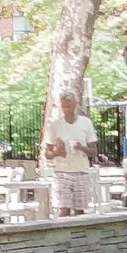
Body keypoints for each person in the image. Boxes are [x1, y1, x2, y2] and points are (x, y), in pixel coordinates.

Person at [39, 89, 95, 217]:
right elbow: (48, 154)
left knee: (80, 211)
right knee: (64, 209)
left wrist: (81, 148)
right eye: (64, 106)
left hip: (81, 171)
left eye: (69, 106)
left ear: (75, 104)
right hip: (61, 172)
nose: (67, 109)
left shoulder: (85, 123)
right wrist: (57, 152)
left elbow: (93, 151)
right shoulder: (55, 125)